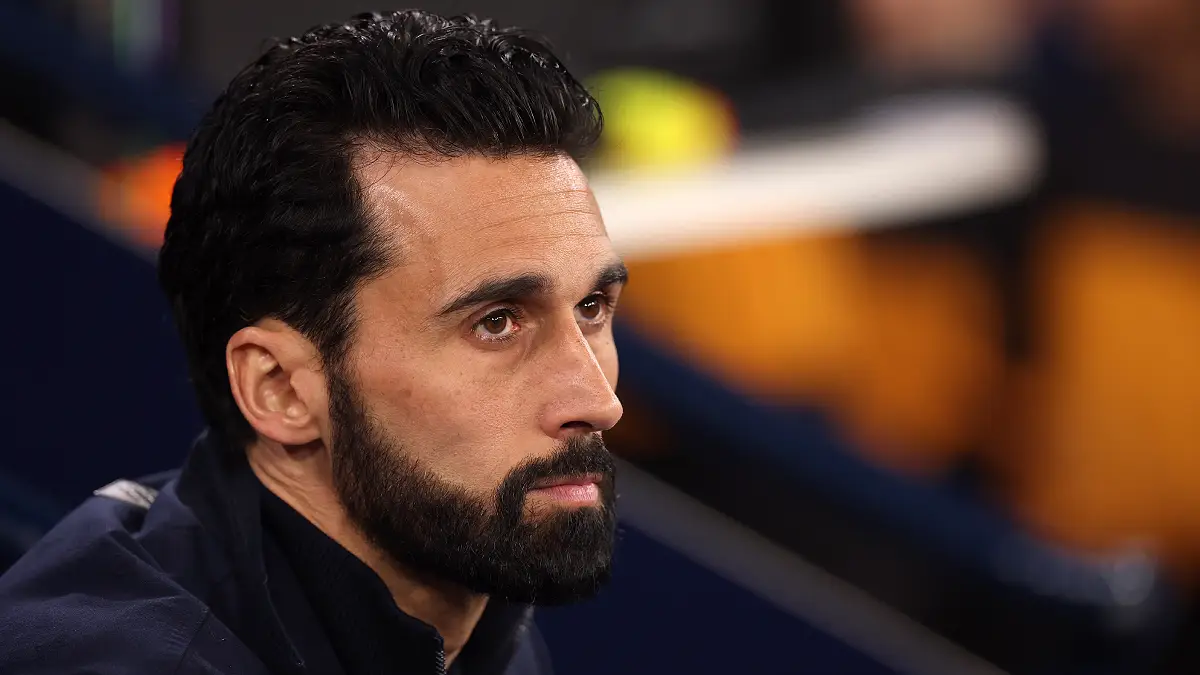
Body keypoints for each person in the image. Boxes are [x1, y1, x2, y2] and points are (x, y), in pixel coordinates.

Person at [0, 10, 626, 675]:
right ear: (280, 387)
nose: (598, 400)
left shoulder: (478, 610)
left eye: (591, 307)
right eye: (496, 322)